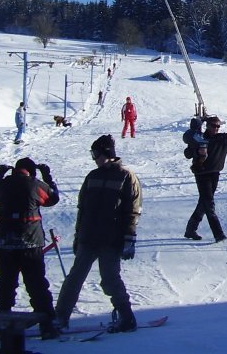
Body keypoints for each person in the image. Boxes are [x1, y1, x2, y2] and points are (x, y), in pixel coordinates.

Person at [55, 135, 142, 333]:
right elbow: (82, 208)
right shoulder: (92, 176)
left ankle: (127, 318)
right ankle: (60, 317)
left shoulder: (126, 176)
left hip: (111, 239)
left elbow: (133, 209)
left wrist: (129, 238)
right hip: (89, 237)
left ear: (107, 154)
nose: (94, 158)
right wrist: (78, 236)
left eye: (96, 154)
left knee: (110, 279)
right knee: (74, 278)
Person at [0, 157, 60, 340]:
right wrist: (47, 177)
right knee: (37, 284)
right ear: (31, 172)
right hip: (30, 242)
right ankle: (47, 324)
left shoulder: (4, 185)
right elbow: (52, 198)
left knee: (5, 284)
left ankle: (2, 323)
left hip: (6, 243)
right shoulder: (35, 185)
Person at [184, 109, 227, 243]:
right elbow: (187, 154)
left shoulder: (224, 139)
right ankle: (219, 234)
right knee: (209, 204)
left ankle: (190, 229)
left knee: (204, 203)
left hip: (215, 174)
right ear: (207, 126)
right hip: (201, 174)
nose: (216, 128)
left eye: (218, 126)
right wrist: (193, 149)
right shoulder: (199, 138)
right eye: (213, 126)